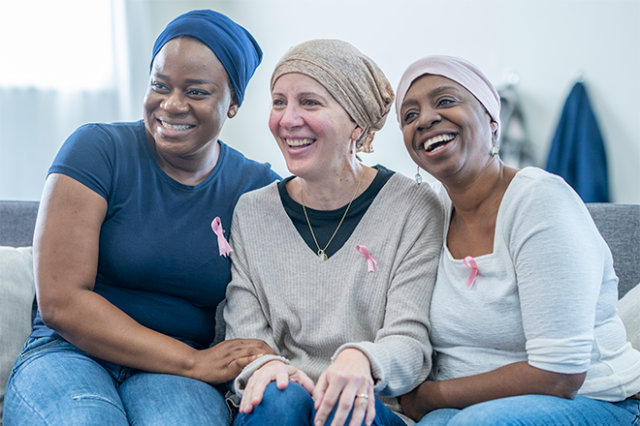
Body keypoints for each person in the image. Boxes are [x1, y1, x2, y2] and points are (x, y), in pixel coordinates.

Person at [3, 9, 279, 426]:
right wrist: (193, 361)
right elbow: (61, 302)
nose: (171, 105)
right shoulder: (97, 149)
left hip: (172, 374)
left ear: (234, 103)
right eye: (159, 85)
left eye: (197, 92)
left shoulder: (256, 186)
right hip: (69, 353)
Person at [395, 55, 640, 425]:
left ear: (493, 123)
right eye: (409, 115)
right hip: (464, 410)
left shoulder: (540, 201)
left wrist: (430, 395)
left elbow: (560, 375)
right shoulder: (431, 214)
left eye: (445, 101)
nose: (425, 118)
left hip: (594, 400)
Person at [223, 39, 444, 426]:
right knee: (278, 398)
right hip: (281, 403)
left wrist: (361, 358)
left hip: (370, 408)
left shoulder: (414, 206)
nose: (288, 119)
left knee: (344, 409)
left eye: (310, 102)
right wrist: (267, 367)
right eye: (279, 102)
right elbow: (245, 334)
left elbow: (410, 344)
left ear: (356, 123)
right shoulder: (253, 211)